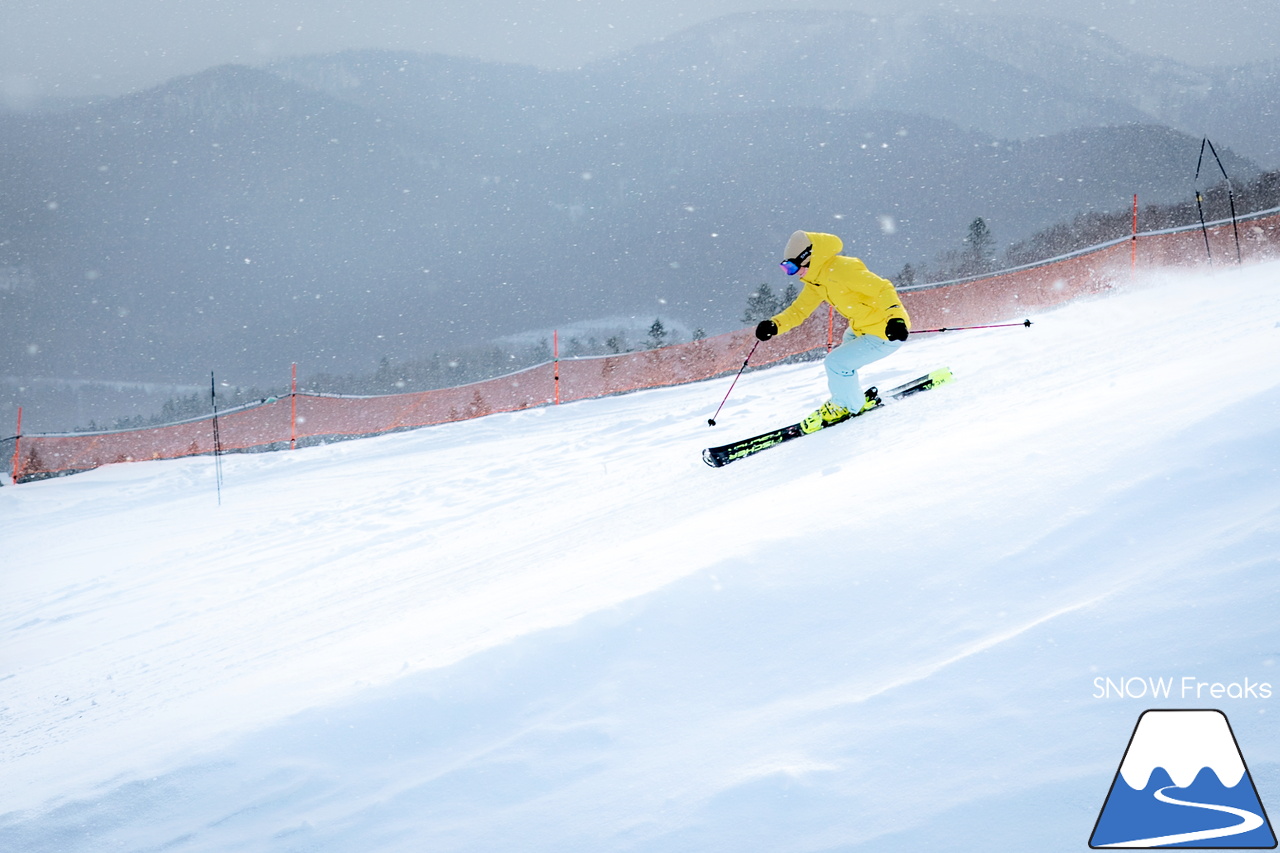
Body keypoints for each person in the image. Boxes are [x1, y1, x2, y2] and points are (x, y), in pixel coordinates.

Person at [755, 230, 910, 433]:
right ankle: (850, 398)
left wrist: (895, 319)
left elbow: (882, 288)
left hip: (886, 331)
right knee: (842, 363)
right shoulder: (816, 281)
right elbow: (799, 310)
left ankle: (848, 406)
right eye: (785, 268)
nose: (791, 273)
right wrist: (774, 325)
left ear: (809, 257)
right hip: (860, 329)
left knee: (836, 363)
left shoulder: (842, 269)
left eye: (792, 266)